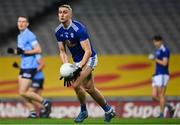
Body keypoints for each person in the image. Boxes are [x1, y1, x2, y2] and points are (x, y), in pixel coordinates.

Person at [55, 4, 116, 123]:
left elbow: (87, 51)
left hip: (89, 59)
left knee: (76, 85)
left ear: (70, 14)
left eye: (65, 12)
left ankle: (83, 111)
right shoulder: (58, 31)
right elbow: (62, 51)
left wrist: (79, 67)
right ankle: (109, 111)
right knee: (90, 88)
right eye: (60, 12)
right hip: (77, 61)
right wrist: (67, 66)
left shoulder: (79, 29)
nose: (62, 15)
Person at [7, 16, 51, 118]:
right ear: (17, 23)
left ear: (27, 24)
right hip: (23, 66)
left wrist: (24, 52)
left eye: (23, 22)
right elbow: (22, 51)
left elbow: (38, 50)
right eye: (19, 21)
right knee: (21, 93)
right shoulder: (20, 36)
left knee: (23, 92)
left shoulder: (29, 35)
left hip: (30, 67)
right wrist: (14, 51)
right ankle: (33, 113)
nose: (21, 23)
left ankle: (45, 103)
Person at [148, 35, 175, 118]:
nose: (155, 43)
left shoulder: (165, 50)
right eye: (154, 42)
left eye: (156, 41)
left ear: (161, 41)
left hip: (163, 74)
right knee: (153, 96)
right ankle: (169, 106)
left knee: (161, 95)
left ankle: (161, 114)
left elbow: (164, 63)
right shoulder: (158, 51)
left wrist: (154, 59)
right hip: (157, 74)